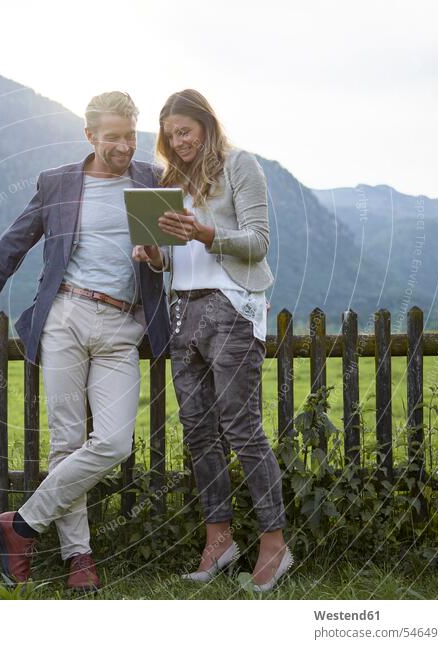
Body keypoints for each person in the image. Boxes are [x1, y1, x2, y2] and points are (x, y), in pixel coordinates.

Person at [0, 91, 170, 591]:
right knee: (67, 441)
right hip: (67, 316)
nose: (122, 145)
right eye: (112, 136)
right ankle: (79, 558)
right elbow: (14, 242)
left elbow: (169, 263)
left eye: (129, 135)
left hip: (123, 326)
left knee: (114, 442)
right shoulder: (58, 184)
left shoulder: (151, 181)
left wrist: (156, 255)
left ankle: (21, 525)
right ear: (90, 135)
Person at [133, 89, 292, 592]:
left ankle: (274, 545)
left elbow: (259, 241)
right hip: (182, 307)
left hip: (231, 307)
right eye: (171, 134)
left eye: (186, 130)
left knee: (241, 429)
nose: (179, 141)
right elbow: (171, 259)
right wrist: (153, 254)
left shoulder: (240, 165)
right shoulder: (169, 182)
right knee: (199, 432)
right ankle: (219, 540)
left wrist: (204, 234)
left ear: (206, 124)